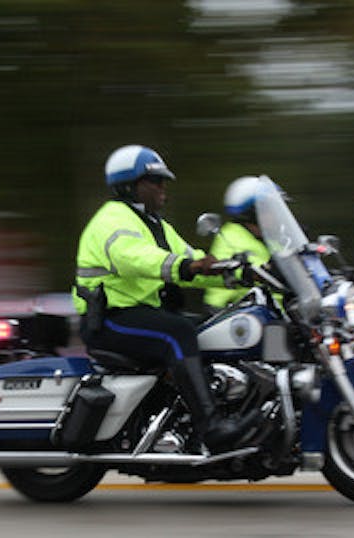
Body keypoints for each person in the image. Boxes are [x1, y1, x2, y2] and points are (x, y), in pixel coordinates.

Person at [72, 144, 259, 452]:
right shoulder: (111, 220)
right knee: (178, 333)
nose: (163, 187)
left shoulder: (156, 224)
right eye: (156, 181)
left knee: (211, 328)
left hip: (140, 314)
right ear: (130, 185)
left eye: (163, 181)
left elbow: (191, 260)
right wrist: (187, 266)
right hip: (110, 319)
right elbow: (136, 258)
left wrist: (238, 273)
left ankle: (203, 413)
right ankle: (211, 427)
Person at [204, 175, 275, 311]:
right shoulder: (230, 237)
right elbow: (237, 270)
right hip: (234, 312)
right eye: (269, 209)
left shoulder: (271, 238)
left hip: (271, 309)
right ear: (253, 212)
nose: (274, 214)